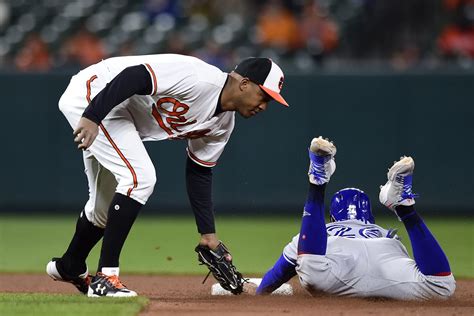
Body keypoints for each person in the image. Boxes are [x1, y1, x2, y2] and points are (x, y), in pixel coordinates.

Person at [46, 54, 289, 297]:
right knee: (140, 178)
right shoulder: (199, 79)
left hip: (118, 113)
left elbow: (199, 171)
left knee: (104, 207)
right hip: (95, 94)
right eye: (264, 96)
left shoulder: (223, 124)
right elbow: (135, 75)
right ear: (245, 84)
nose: (264, 106)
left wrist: (208, 235)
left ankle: (70, 265)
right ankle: (105, 279)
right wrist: (92, 116)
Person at [256, 137, 455, 300]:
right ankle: (406, 210)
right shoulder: (386, 234)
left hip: (337, 272)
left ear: (333, 217)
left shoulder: (322, 232)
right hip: (387, 263)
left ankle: (318, 183)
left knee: (311, 266)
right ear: (369, 217)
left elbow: (277, 274)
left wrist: (258, 296)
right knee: (441, 286)